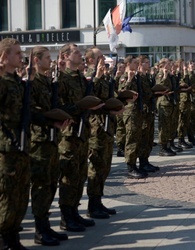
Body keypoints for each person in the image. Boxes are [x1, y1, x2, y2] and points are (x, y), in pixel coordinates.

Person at [57, 43, 104, 232]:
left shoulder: (79, 78)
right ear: (66, 56)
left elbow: (91, 97)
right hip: (69, 133)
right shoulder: (63, 79)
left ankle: (75, 212)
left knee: (80, 173)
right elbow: (60, 106)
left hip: (82, 132)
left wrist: (98, 79)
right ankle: (66, 216)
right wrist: (81, 107)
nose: (80, 56)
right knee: (69, 175)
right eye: (76, 53)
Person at [29, 46, 71, 245]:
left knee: (51, 183)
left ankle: (46, 226)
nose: (50, 61)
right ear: (36, 60)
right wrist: (51, 119)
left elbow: (58, 100)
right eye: (47, 58)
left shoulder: (47, 81)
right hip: (39, 140)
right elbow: (33, 109)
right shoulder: (33, 83)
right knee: (41, 184)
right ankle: (39, 229)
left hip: (51, 137)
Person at [0, 37, 33, 249]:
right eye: (17, 53)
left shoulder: (17, 82)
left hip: (21, 146)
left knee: (21, 196)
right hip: (5, 149)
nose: (21, 57)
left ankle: (13, 237)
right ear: (4, 57)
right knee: (7, 196)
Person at [84, 47, 123, 219]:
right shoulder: (89, 75)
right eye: (100, 57)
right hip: (96, 127)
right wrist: (98, 77)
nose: (103, 59)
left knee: (105, 166)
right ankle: (92, 205)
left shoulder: (104, 74)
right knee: (96, 166)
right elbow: (89, 96)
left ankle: (98, 201)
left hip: (106, 125)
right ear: (92, 60)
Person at [118, 56, 148, 179]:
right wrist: (129, 79)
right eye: (135, 63)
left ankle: (137, 164)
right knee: (131, 138)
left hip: (137, 111)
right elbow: (121, 92)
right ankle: (130, 166)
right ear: (128, 64)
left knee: (137, 138)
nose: (137, 64)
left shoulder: (137, 76)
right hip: (130, 111)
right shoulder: (125, 77)